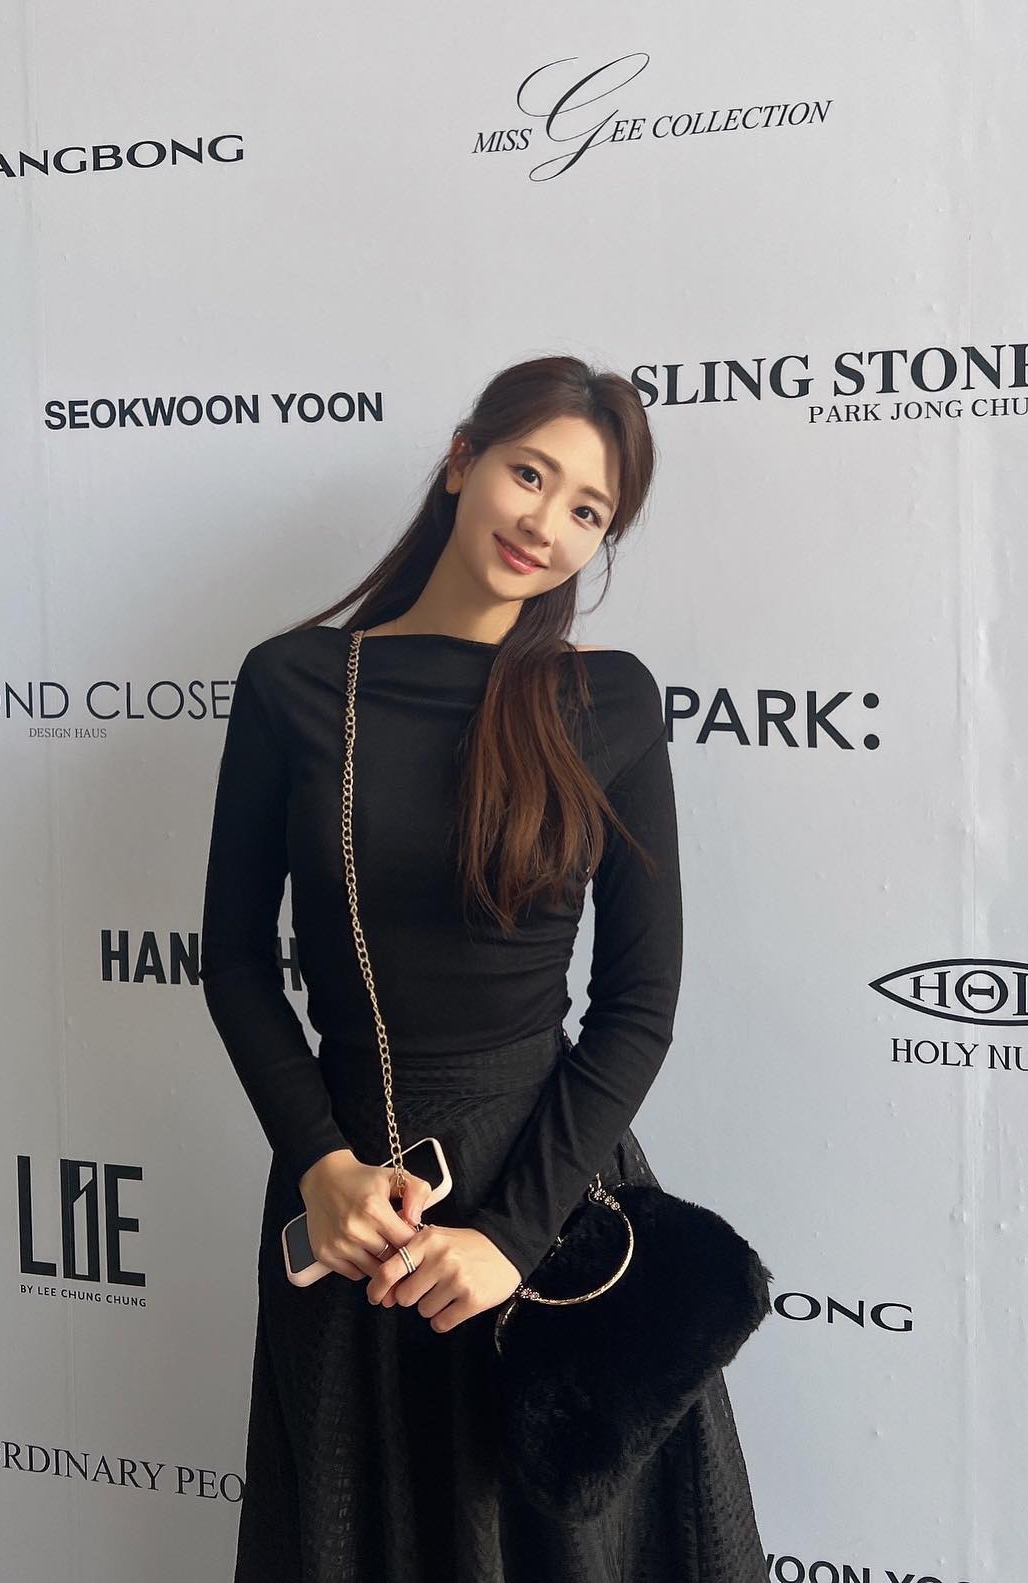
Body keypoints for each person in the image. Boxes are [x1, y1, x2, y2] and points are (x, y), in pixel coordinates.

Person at [200, 354, 767, 1581]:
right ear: (463, 461)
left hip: (551, 1205)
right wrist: (322, 1166)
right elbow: (235, 960)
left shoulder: (607, 702)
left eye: (588, 510)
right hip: (355, 1215)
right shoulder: (295, 683)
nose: (545, 523)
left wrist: (511, 1234)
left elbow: (639, 1003)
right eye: (530, 474)